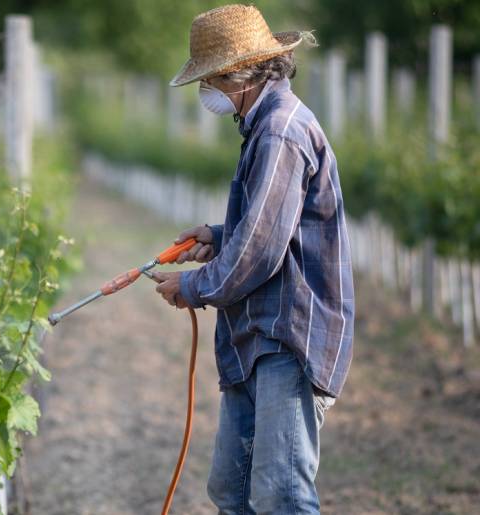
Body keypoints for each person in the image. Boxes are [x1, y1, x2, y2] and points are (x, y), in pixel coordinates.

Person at [150, 5, 354, 514]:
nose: (208, 93)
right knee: (232, 491)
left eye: (211, 81)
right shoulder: (262, 124)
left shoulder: (280, 131)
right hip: (258, 335)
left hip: (287, 335)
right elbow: (278, 226)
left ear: (236, 75)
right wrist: (219, 236)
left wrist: (193, 286)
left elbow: (260, 252)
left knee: (281, 495)